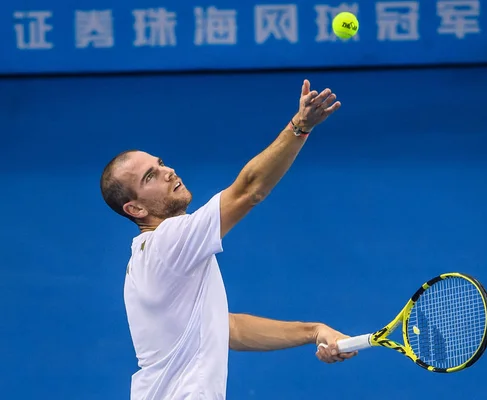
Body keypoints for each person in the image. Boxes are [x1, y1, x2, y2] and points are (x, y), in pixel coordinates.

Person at [100, 79, 358, 400]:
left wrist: (313, 331)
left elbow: (227, 329)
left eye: (161, 163)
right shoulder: (168, 243)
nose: (167, 172)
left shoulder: (153, 255)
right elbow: (250, 190)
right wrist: (300, 126)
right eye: (150, 176)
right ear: (135, 208)